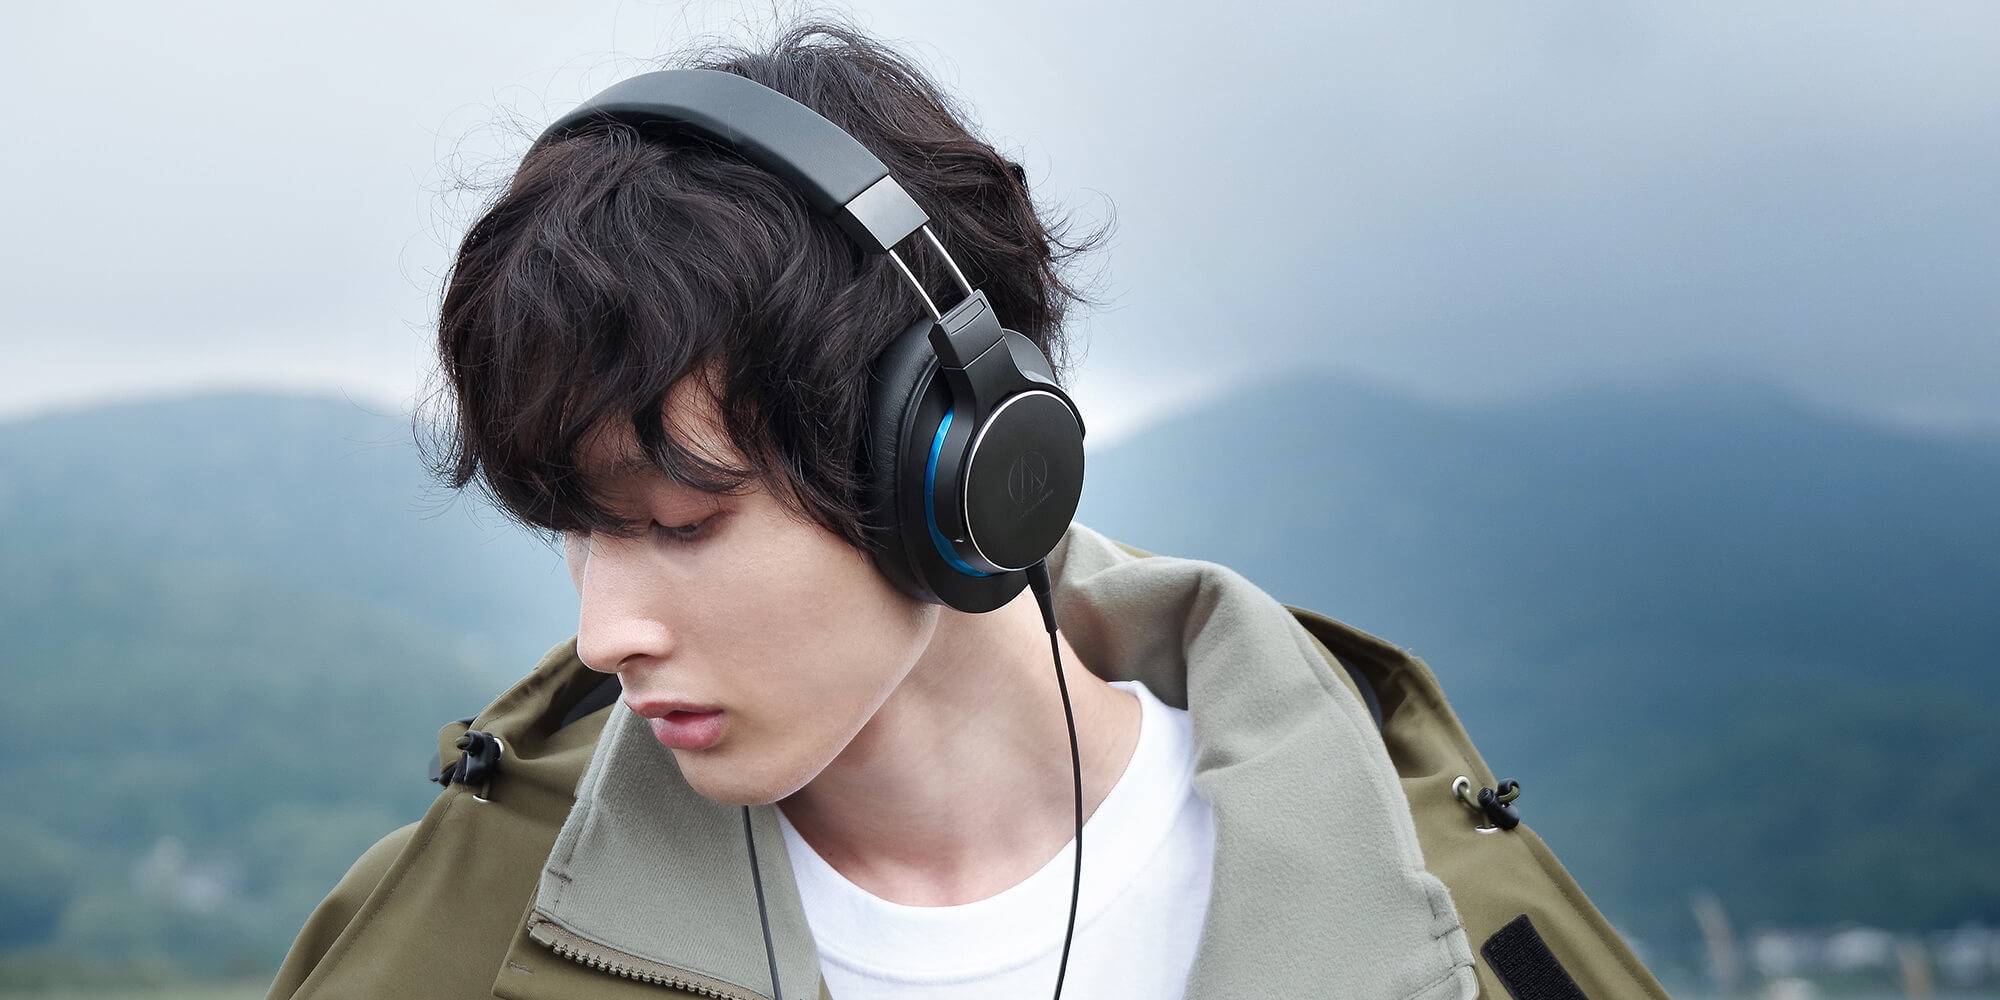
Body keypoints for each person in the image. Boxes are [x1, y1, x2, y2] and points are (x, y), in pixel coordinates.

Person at [270, 15, 1662, 1000]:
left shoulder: (1470, 939)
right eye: (577, 528)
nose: (603, 633)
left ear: (964, 467)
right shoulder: (445, 937)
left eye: (681, 522)